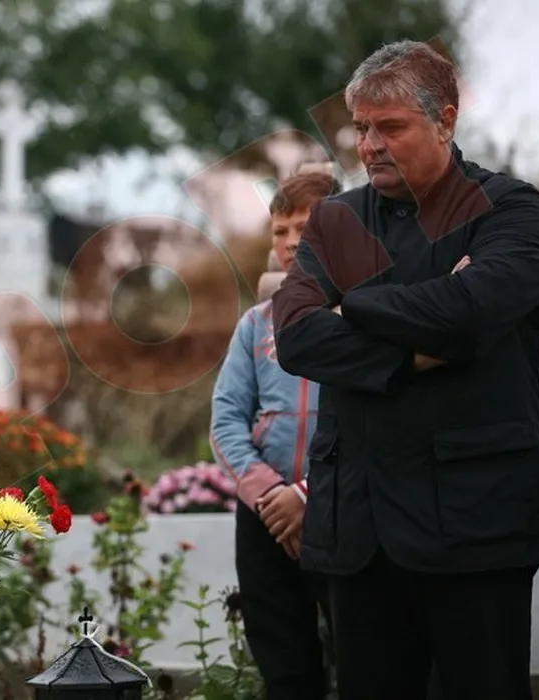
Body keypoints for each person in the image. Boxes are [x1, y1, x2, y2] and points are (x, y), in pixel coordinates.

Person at [272, 40, 539, 700]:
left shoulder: (509, 210)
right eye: (361, 128)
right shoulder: (336, 220)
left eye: (390, 127)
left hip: (478, 524)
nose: (370, 146)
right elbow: (297, 338)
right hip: (359, 528)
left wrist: (352, 304)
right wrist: (413, 348)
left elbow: (469, 311)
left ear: (445, 120)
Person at [211, 171, 340, 700]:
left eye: (303, 229)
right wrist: (271, 497)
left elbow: (370, 422)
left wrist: (305, 496)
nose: (289, 243)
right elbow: (226, 419)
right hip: (264, 517)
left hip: (341, 506)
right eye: (279, 231)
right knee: (285, 668)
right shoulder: (256, 323)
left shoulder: (361, 315)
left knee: (368, 660)